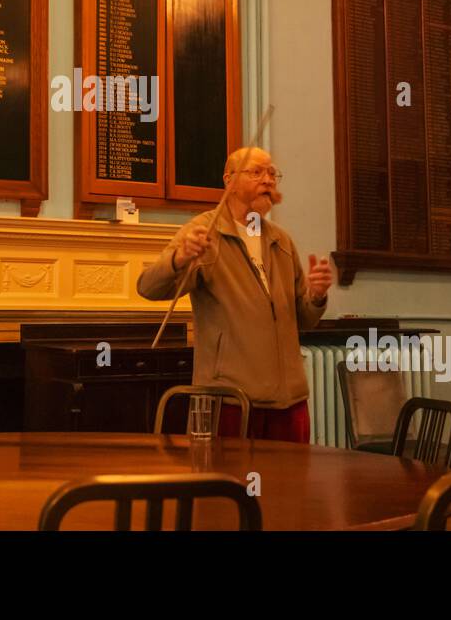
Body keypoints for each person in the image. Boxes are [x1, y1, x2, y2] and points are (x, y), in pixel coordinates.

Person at [137, 146, 334, 442]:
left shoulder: (281, 241)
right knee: (231, 487)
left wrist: (317, 296)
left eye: (272, 173)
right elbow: (148, 287)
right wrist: (179, 258)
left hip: (289, 402)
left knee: (289, 488)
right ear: (228, 180)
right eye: (257, 172)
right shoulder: (205, 232)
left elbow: (304, 320)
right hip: (231, 401)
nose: (268, 180)